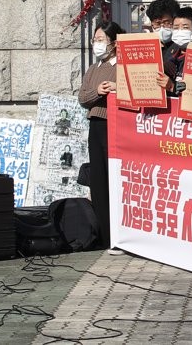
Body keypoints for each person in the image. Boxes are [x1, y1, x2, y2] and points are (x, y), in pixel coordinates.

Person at [77, 20, 125, 252]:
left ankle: (117, 235)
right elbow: (83, 98)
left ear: (114, 43)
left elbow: (131, 91)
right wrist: (98, 91)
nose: (97, 44)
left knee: (113, 178)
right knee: (98, 179)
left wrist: (116, 88)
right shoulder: (93, 69)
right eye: (95, 40)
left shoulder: (122, 66)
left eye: (101, 40)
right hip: (95, 124)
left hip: (113, 125)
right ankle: (104, 235)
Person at [159, 6, 192, 97]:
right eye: (176, 28)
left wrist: (173, 87)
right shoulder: (169, 54)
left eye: (185, 28)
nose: (180, 31)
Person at [146, 0, 181, 76]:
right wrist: (161, 65)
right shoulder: (148, 48)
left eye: (166, 22)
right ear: (151, 24)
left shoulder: (182, 46)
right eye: (157, 23)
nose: (162, 28)